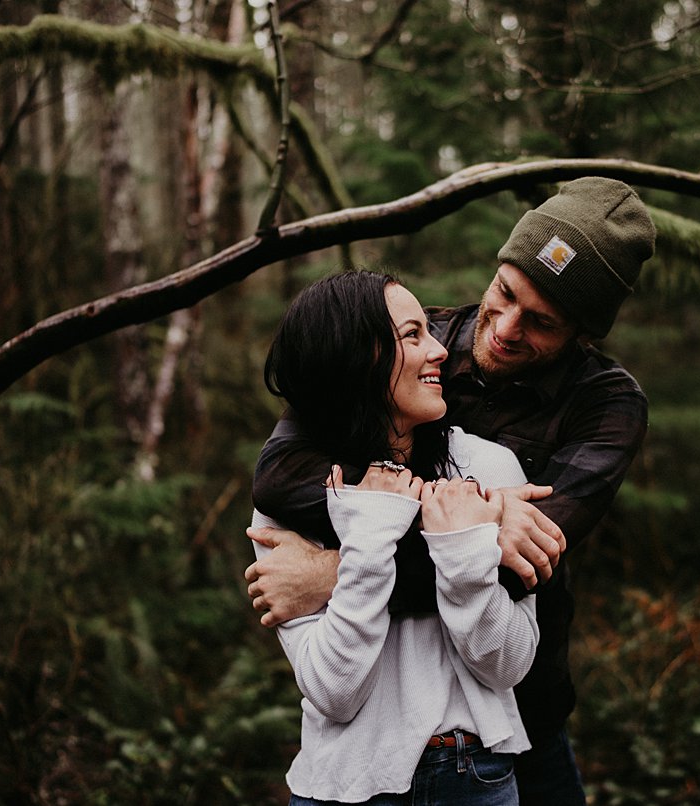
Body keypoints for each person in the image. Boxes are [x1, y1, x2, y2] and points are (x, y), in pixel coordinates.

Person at [248, 177, 655, 804]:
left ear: (582, 334)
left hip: (520, 714)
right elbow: (281, 474)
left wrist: (335, 574)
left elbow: (524, 566)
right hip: (375, 727)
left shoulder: (606, 406)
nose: (506, 328)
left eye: (541, 322)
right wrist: (478, 525)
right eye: (505, 293)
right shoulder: (410, 342)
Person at [252, 269, 540, 804]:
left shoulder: (487, 468)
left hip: (473, 776)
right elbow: (335, 692)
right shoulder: (293, 500)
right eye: (413, 335)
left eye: (429, 331)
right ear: (355, 358)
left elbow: (509, 663)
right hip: (341, 785)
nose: (439, 351)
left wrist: (463, 554)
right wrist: (370, 533)